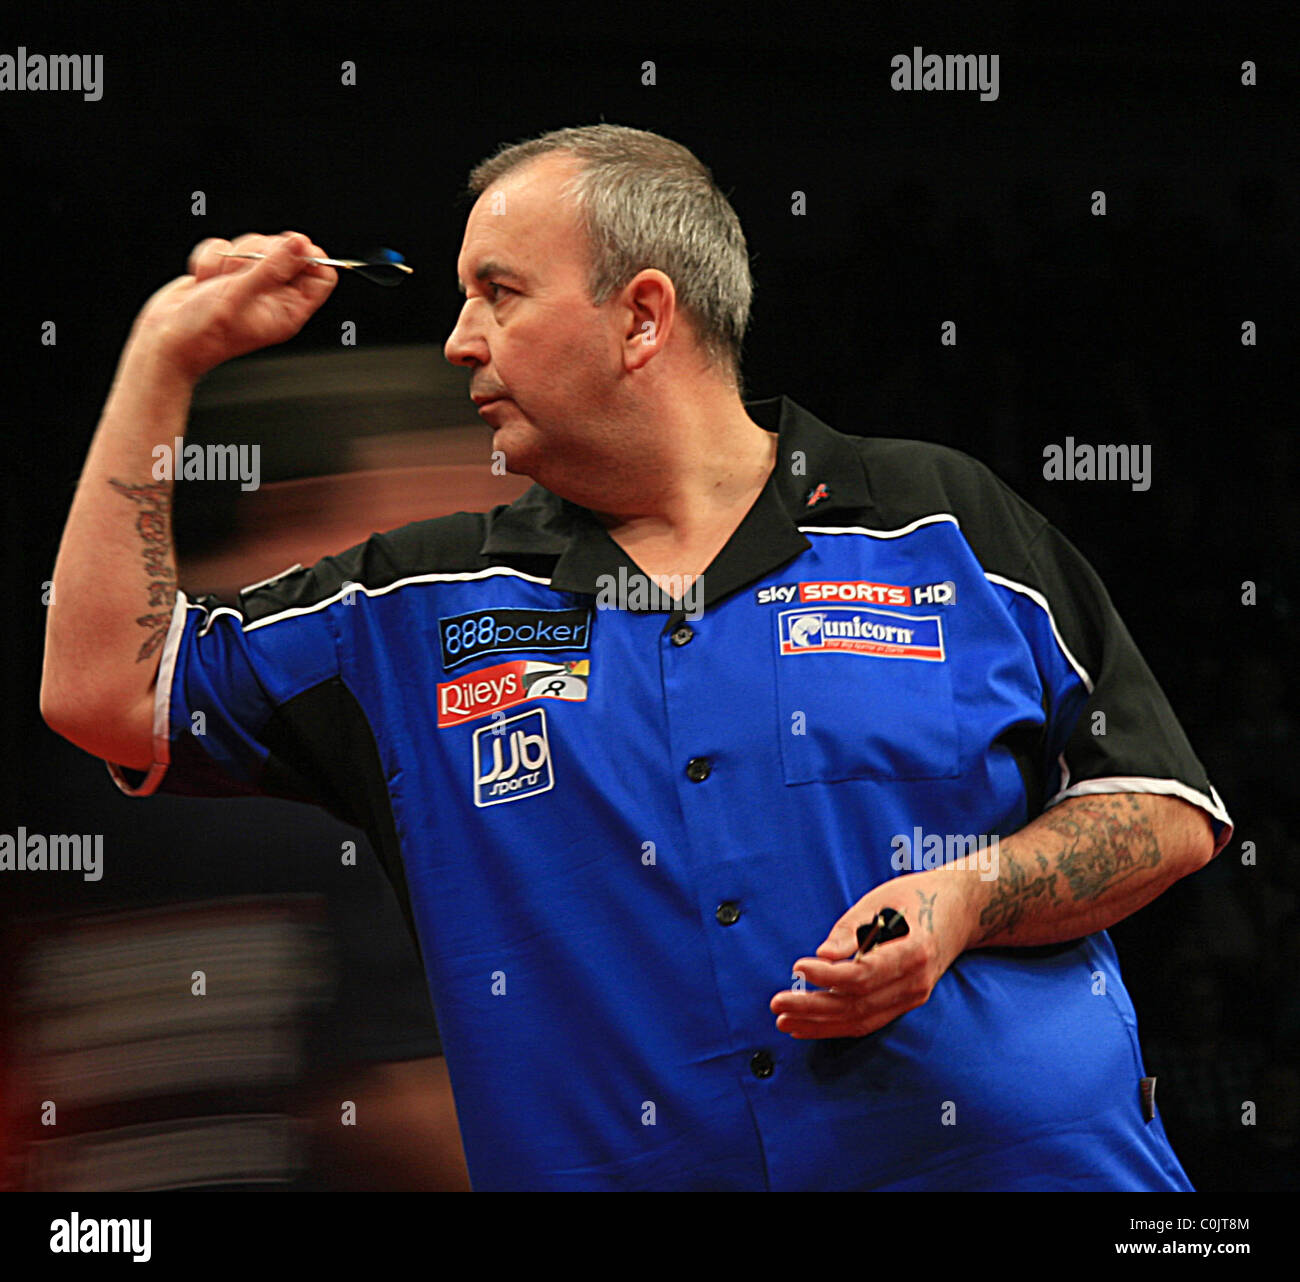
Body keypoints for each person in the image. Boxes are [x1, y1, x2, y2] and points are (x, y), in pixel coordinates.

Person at [42, 124, 1232, 1191]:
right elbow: (106, 692)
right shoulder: (413, 608)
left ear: (643, 316)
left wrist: (964, 898)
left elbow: (1166, 811)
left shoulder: (940, 520)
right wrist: (164, 361)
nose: (458, 342)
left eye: (496, 293)